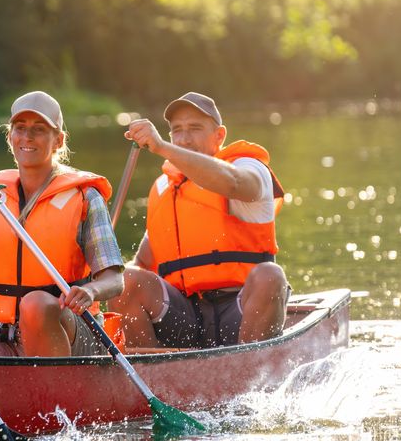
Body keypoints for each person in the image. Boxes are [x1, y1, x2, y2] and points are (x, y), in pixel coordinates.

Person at [111, 92, 288, 349]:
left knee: (270, 275)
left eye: (194, 128)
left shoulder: (249, 167)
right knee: (125, 279)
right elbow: (140, 264)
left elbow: (236, 183)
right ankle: (148, 374)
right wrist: (99, 289)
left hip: (239, 309)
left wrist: (161, 147)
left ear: (219, 136)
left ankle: (252, 373)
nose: (184, 139)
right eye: (177, 130)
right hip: (184, 315)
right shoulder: (165, 188)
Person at [0, 91, 125, 357]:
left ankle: (56, 396)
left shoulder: (85, 197)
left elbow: (114, 280)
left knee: (35, 304)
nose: (27, 137)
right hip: (8, 335)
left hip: (77, 333)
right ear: (10, 137)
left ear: (58, 140)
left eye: (39, 129)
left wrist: (90, 291)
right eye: (20, 128)